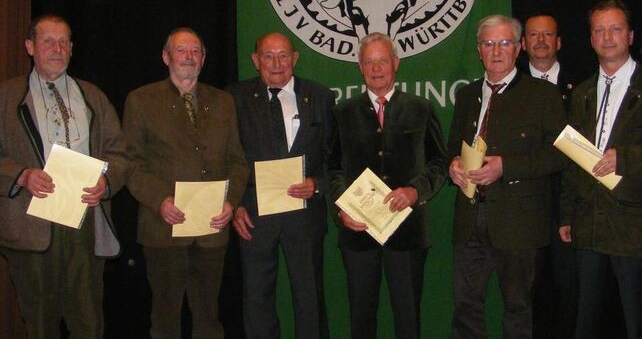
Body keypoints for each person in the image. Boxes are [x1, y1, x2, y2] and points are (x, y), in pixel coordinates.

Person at [0, 14, 128, 338]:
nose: (56, 49)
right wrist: (21, 175)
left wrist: (106, 181)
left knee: (89, 323)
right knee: (40, 325)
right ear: (30, 46)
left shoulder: (93, 97)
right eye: (47, 41)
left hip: (86, 224)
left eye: (63, 42)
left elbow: (121, 154)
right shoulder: (5, 97)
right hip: (32, 228)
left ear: (72, 48)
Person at [123, 27, 249, 338]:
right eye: (181, 50)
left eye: (195, 51)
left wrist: (230, 202)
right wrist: (159, 201)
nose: (189, 57)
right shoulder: (141, 100)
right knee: (165, 318)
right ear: (166, 57)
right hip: (163, 227)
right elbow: (131, 164)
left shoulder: (223, 102)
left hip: (212, 228)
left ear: (204, 59)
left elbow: (237, 161)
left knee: (209, 316)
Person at [447, 15, 566, 338]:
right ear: (478, 50)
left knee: (518, 310)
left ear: (518, 49)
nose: (496, 51)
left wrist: (506, 166)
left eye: (504, 43)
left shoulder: (543, 95)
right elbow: (451, 150)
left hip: (519, 222)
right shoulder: (467, 96)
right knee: (466, 308)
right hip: (470, 218)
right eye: (488, 44)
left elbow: (559, 155)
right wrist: (453, 166)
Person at [560, 0, 642, 339]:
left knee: (641, 323)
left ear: (631, 36)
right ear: (591, 39)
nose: (607, 37)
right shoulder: (579, 94)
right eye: (599, 30)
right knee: (585, 323)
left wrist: (625, 158)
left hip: (635, 225)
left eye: (616, 29)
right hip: (589, 222)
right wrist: (566, 215)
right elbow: (571, 158)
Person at [327, 32, 448, 339]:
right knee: (361, 318)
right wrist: (342, 208)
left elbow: (439, 164)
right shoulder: (342, 112)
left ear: (396, 63)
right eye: (369, 62)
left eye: (383, 60)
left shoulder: (421, 108)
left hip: (407, 232)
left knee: (408, 318)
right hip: (358, 234)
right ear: (360, 67)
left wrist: (416, 190)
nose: (376, 68)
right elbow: (332, 168)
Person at [227, 32, 332, 339]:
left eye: (283, 55)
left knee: (310, 299)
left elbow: (335, 156)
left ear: (295, 59)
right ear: (255, 60)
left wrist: (317, 183)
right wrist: (235, 204)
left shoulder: (321, 97)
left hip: (305, 214)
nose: (276, 63)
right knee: (257, 299)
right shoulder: (232, 99)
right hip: (253, 216)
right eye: (268, 56)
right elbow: (225, 156)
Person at [521, 13, 578, 339]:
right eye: (533, 35)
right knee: (528, 296)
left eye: (547, 35)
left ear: (559, 42)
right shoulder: (509, 87)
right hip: (524, 207)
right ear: (523, 43)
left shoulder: (584, 87)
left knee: (569, 290)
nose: (540, 41)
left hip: (568, 207)